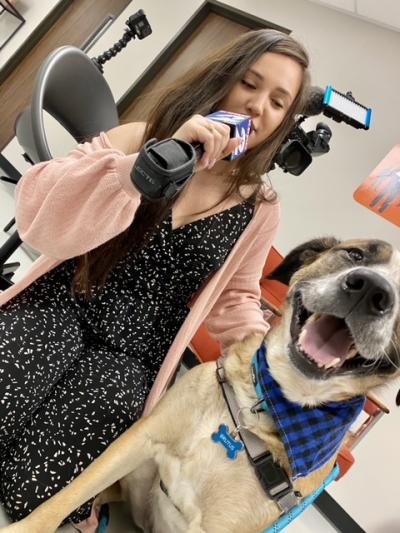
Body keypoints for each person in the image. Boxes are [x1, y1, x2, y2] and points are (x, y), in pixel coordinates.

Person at [0, 29, 310, 525]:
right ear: (222, 82)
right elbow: (37, 205)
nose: (257, 107)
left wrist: (271, 361)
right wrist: (142, 168)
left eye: (277, 102)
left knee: (35, 489)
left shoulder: (260, 209)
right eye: (249, 84)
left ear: (282, 123)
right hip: (64, 300)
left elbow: (236, 299)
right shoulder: (146, 137)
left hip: (137, 351)